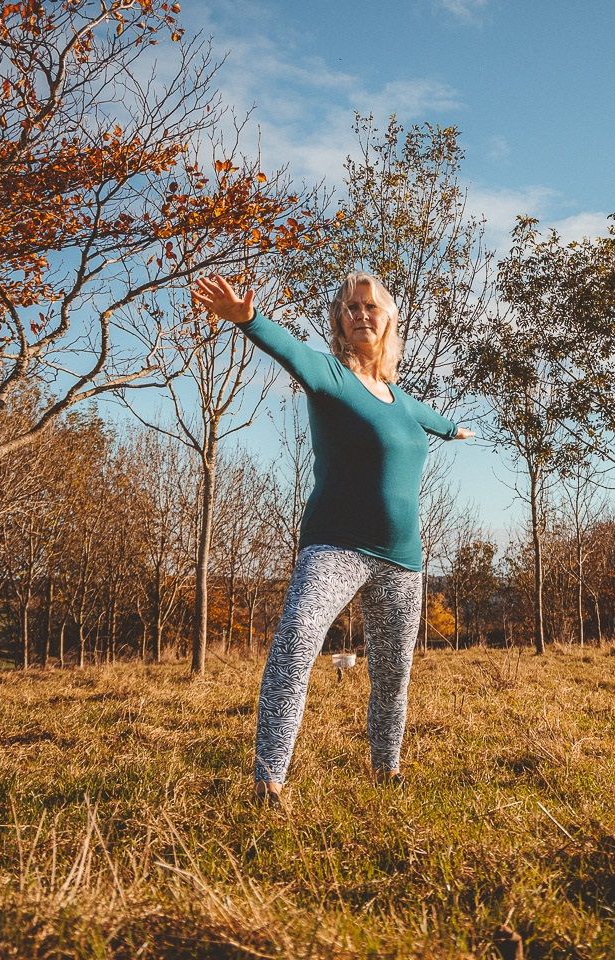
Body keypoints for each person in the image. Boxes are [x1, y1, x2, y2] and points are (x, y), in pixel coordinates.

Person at [191, 272, 473, 806]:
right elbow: (291, 352)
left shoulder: (402, 399)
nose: (361, 314)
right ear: (340, 324)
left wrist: (455, 427)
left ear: (389, 319)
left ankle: (386, 772)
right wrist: (247, 319)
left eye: (371, 307)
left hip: (402, 560)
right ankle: (269, 780)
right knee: (295, 646)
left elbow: (430, 420)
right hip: (336, 547)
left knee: (392, 677)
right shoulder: (330, 375)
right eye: (350, 308)